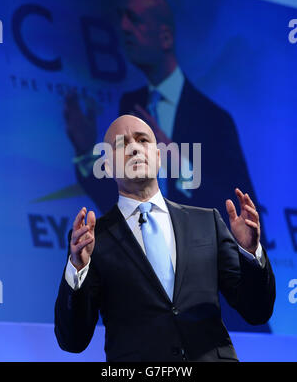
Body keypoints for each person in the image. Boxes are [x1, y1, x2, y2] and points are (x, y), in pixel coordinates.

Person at [63, 0, 273, 332]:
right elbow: (122, 197)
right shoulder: (131, 104)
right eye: (120, 144)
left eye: (134, 18)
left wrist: (180, 164)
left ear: (165, 37)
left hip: (226, 321)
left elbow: (239, 201)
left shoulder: (214, 118)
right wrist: (86, 150)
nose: (123, 28)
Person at [54, 115, 275, 362]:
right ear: (106, 166)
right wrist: (78, 270)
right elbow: (72, 341)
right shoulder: (94, 240)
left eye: (142, 140)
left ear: (159, 156)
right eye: (121, 144)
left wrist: (250, 252)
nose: (134, 148)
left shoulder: (207, 222)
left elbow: (257, 311)